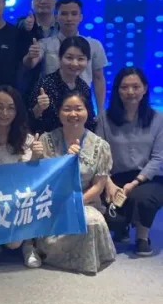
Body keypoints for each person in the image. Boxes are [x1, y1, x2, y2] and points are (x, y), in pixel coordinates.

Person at [32, 92, 116, 274]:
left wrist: (75, 202)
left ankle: (84, 260)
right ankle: (47, 252)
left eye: (78, 109)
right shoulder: (45, 140)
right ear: (59, 112)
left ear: (87, 111)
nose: (73, 114)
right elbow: (38, 179)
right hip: (51, 201)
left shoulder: (101, 146)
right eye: (67, 109)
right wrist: (36, 156)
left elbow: (98, 186)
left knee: (91, 222)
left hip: (85, 201)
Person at [97, 67, 163, 256]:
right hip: (115, 176)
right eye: (124, 87)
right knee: (108, 212)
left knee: (142, 198)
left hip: (149, 177)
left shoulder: (158, 118)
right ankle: (121, 226)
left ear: (145, 89)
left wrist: (135, 183)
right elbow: (99, 154)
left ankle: (142, 237)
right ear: (117, 90)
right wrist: (108, 183)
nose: (130, 92)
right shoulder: (104, 118)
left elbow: (158, 158)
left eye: (136, 86)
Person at [0, 85, 41, 267]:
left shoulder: (27, 139)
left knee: (13, 243)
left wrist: (36, 157)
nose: (4, 113)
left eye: (10, 108)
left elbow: (31, 178)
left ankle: (29, 245)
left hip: (16, 199)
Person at [34, 0, 109, 110]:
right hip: (51, 104)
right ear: (56, 17)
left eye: (74, 14)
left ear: (80, 17)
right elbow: (31, 63)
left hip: (83, 104)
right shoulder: (45, 44)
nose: (69, 18)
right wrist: (31, 56)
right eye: (64, 14)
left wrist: (100, 110)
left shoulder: (94, 45)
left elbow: (98, 78)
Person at [29, 36, 97, 134]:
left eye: (80, 59)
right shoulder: (45, 84)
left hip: (77, 140)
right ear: (60, 58)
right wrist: (39, 108)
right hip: (47, 140)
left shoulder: (84, 88)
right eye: (69, 58)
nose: (74, 63)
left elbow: (90, 122)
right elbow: (28, 120)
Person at [18, 0, 59, 97]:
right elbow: (21, 25)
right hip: (29, 87)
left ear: (56, 1)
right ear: (31, 2)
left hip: (59, 85)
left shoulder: (63, 25)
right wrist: (26, 26)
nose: (43, 1)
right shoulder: (24, 24)